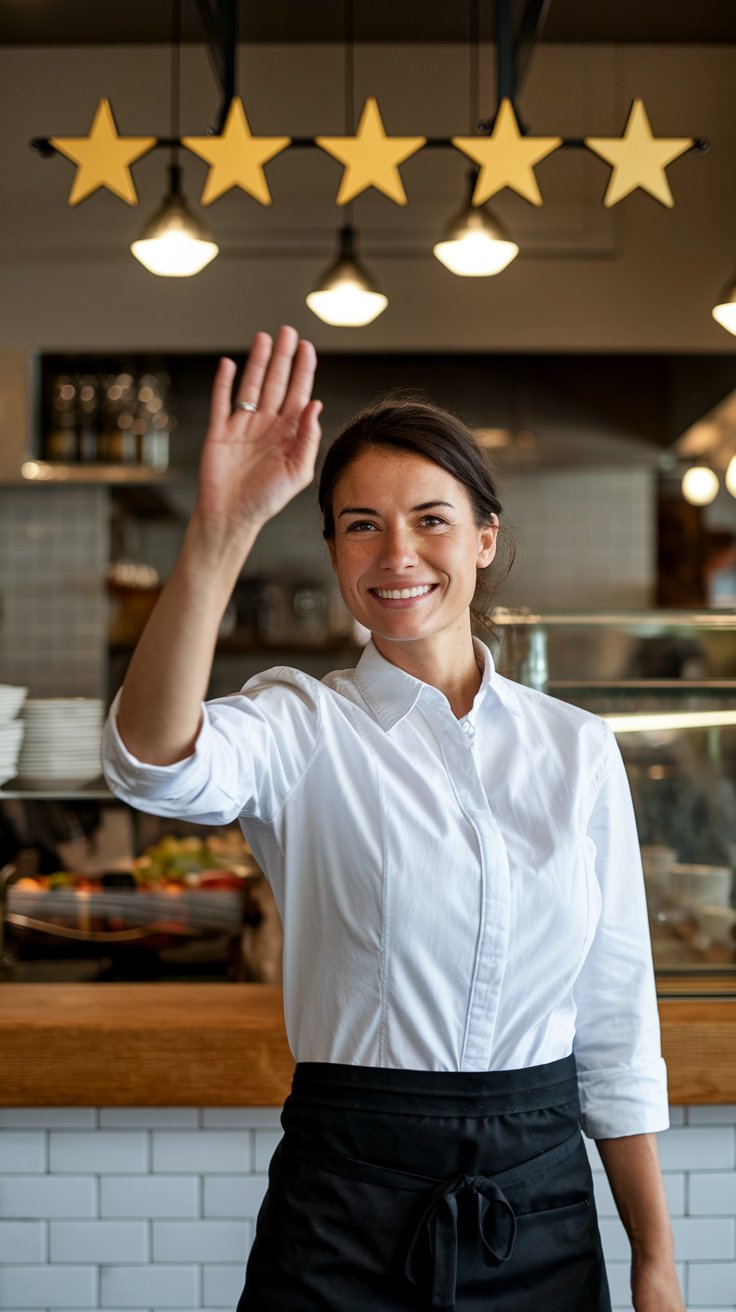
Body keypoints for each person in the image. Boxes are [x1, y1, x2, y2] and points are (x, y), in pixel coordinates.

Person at [102, 326, 684, 1312]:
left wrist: (655, 1261)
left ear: (484, 537)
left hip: (540, 1199)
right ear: (329, 548)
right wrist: (220, 527)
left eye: (430, 519)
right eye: (361, 524)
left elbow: (616, 1022)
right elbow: (152, 764)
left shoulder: (574, 747)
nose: (398, 553)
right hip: (345, 1199)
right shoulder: (298, 724)